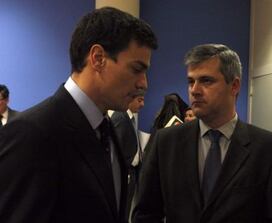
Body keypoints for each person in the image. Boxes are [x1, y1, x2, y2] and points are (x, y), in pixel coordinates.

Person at [0, 7, 157, 223]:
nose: (143, 83)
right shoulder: (32, 133)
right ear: (98, 58)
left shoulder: (109, 132)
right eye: (136, 69)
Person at [134, 44, 272, 223]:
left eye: (206, 81)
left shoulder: (269, 150)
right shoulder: (166, 142)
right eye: (191, 81)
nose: (194, 90)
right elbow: (146, 214)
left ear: (234, 86)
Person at [111, 94, 146, 222]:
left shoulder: (130, 118)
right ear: (130, 99)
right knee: (123, 209)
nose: (142, 104)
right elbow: (118, 150)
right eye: (139, 100)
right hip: (126, 173)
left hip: (132, 171)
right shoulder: (121, 118)